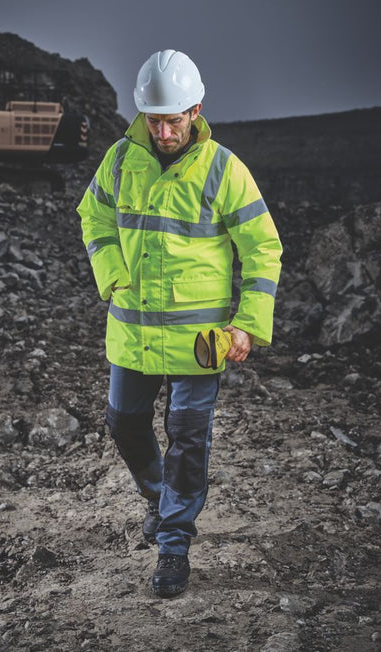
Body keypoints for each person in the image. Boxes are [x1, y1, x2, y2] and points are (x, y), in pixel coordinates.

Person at [76, 49, 282, 597]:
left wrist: (247, 323)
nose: (164, 131)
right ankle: (158, 495)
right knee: (123, 422)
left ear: (196, 110)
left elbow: (263, 248)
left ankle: (173, 546)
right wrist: (112, 274)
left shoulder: (223, 168)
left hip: (199, 342)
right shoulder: (119, 160)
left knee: (188, 439)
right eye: (154, 119)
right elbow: (92, 216)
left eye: (174, 119)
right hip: (134, 332)